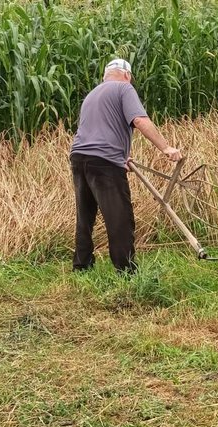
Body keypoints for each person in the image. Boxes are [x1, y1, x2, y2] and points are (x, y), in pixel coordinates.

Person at [70, 58, 182, 274]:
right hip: (104, 161)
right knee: (119, 217)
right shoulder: (124, 88)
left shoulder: (92, 95)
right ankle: (126, 271)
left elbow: (99, 129)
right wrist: (166, 148)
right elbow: (139, 120)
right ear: (127, 75)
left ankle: (82, 266)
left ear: (106, 75)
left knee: (85, 215)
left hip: (79, 157)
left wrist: (122, 156)